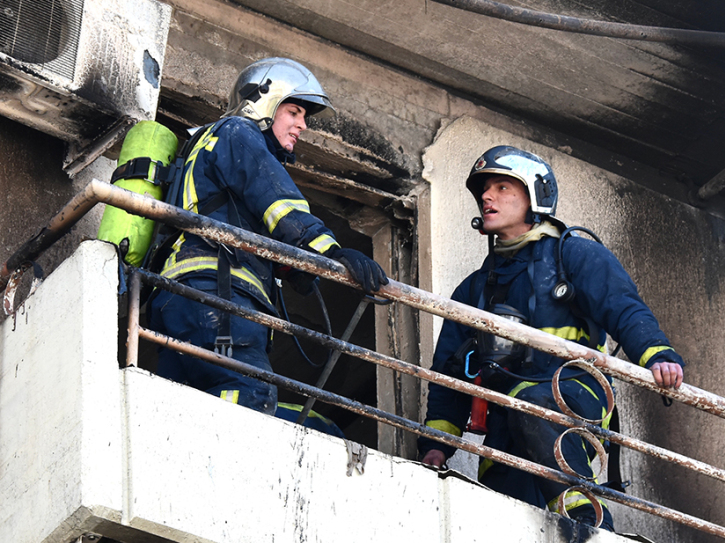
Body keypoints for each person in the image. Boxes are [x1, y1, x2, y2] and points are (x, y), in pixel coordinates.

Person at [418, 146, 684, 531]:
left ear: (534, 196)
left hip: (570, 395)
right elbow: (449, 374)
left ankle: (590, 524)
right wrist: (435, 446)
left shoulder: (573, 256)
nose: (488, 197)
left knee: (535, 409)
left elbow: (622, 307)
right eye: (484, 191)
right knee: (509, 515)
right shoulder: (474, 290)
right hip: (506, 423)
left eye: (502, 187)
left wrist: (658, 355)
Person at [149, 57, 388, 415]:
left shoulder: (212, 146)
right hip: (218, 295)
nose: (302, 125)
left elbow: (249, 222)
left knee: (187, 401)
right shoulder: (237, 132)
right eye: (294, 112)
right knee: (249, 392)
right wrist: (332, 253)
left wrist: (302, 268)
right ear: (263, 102)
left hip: (184, 296)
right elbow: (277, 203)